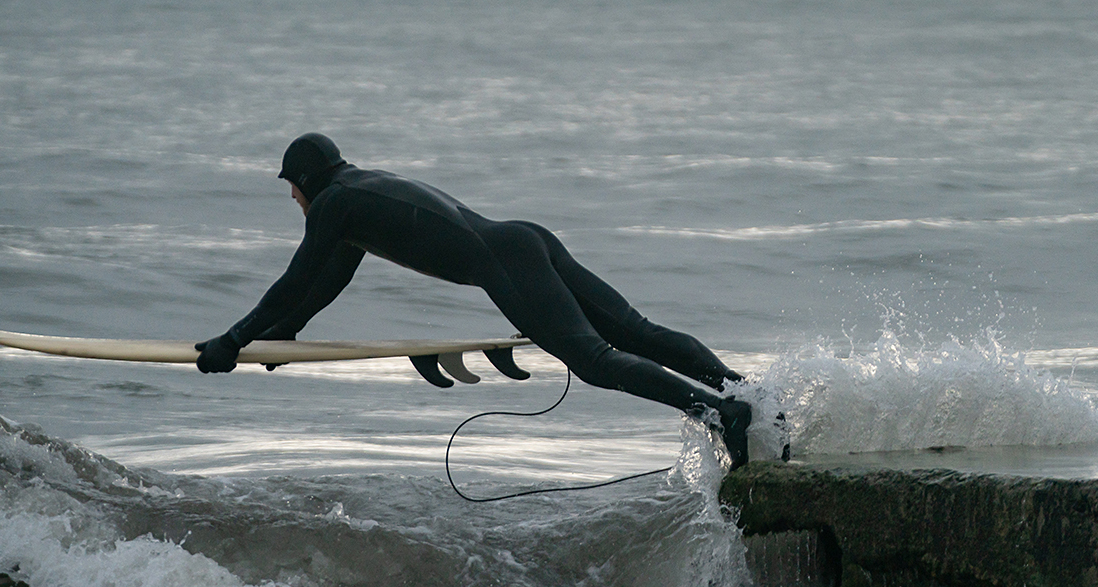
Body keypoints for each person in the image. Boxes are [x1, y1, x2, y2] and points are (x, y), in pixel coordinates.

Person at [195, 133, 754, 465]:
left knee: (596, 361)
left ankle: (721, 412)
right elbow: (324, 284)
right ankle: (748, 394)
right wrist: (282, 331)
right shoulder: (357, 193)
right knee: (637, 332)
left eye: (291, 187)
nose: (292, 198)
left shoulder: (333, 204)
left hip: (505, 263)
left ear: (304, 180)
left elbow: (295, 280)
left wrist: (233, 339)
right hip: (523, 238)